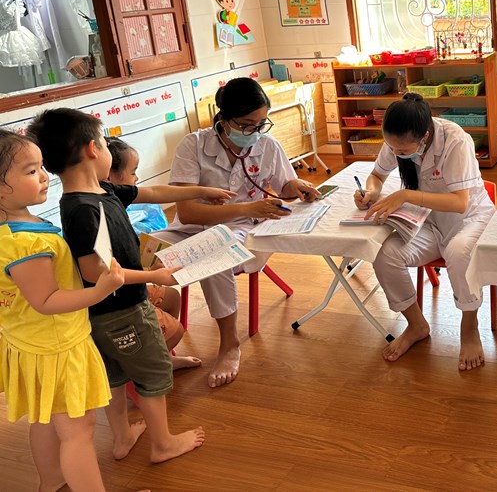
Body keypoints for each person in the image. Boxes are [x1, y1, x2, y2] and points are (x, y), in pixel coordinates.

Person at [28, 109, 234, 463]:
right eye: (105, 141)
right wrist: (153, 277)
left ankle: (122, 437)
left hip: (109, 312)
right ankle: (163, 444)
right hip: (123, 311)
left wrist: (203, 190)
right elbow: (95, 272)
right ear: (93, 149)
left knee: (116, 375)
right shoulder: (82, 209)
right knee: (153, 373)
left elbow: (151, 191)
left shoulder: (101, 190)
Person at [152, 77, 319, 388]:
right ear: (223, 118)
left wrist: (294, 186)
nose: (254, 132)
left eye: (260, 124)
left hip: (239, 231)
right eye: (245, 125)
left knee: (214, 256)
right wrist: (248, 207)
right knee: (141, 256)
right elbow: (187, 213)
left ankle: (230, 344)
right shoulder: (194, 145)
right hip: (188, 229)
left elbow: (283, 185)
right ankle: (157, 345)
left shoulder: (267, 145)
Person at [0, 130, 124, 491]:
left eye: (41, 167)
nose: (44, 176)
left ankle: (51, 481)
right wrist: (100, 290)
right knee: (79, 431)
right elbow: (47, 301)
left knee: (45, 418)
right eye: (30, 171)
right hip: (57, 346)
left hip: (31, 342)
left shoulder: (15, 229)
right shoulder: (27, 243)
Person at [356, 93, 495, 370]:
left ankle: (469, 327)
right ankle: (416, 325)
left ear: (425, 136)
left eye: (403, 150)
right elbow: (378, 175)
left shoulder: (455, 140)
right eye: (392, 148)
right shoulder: (398, 138)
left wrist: (406, 195)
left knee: (458, 253)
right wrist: (370, 191)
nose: (397, 154)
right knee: (385, 255)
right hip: (427, 220)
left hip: (469, 219)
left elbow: (460, 202)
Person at [106, 136, 201, 371]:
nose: (136, 179)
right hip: (119, 302)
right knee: (176, 331)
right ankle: (147, 365)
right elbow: (108, 273)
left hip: (132, 288)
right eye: (133, 172)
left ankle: (163, 357)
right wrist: (151, 273)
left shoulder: (114, 197)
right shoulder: (99, 215)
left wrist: (202, 191)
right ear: (110, 177)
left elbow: (156, 192)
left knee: (172, 298)